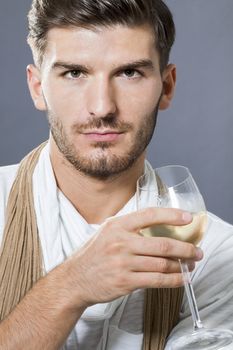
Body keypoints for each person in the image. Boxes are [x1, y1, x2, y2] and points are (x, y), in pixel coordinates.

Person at [0, 0, 233, 349]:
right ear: (37, 88)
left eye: (129, 73)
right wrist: (70, 287)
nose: (102, 107)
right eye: (75, 73)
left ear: (166, 87)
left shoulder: (215, 252)